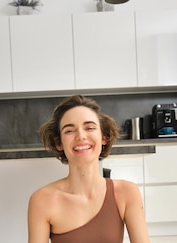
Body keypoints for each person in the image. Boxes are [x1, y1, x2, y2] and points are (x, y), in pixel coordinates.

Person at [28, 95, 150, 243]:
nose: (81, 136)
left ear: (103, 137)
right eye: (69, 131)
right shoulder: (42, 200)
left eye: (90, 128)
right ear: (59, 142)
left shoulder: (127, 193)